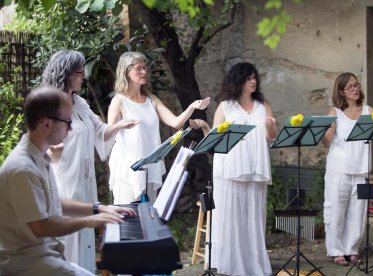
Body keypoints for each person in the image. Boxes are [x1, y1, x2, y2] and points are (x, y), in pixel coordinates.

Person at [0, 86, 136, 276]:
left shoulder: (38, 157)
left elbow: (54, 202)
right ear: (46, 123)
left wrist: (99, 208)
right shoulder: (22, 168)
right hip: (24, 263)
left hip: (41, 257)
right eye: (67, 121)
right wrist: (90, 220)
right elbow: (42, 226)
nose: (70, 128)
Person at [41, 50, 138, 272]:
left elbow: (99, 131)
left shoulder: (80, 103)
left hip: (85, 180)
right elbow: (39, 146)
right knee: (68, 239)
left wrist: (120, 125)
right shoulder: (50, 103)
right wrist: (51, 155)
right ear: (65, 74)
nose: (84, 75)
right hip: (64, 178)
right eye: (79, 72)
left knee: (85, 236)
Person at [190, 62, 277, 276]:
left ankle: (252, 263)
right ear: (237, 81)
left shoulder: (263, 104)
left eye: (254, 77)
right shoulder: (225, 106)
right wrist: (203, 127)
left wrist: (271, 129)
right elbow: (215, 140)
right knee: (230, 217)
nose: (253, 81)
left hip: (255, 168)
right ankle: (230, 264)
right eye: (248, 78)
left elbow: (271, 138)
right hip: (228, 168)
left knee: (253, 218)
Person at [107, 51, 210, 204]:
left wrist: (192, 107)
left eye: (144, 67)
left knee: (148, 216)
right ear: (126, 72)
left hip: (150, 165)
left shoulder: (151, 99)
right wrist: (121, 125)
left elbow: (175, 122)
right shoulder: (119, 100)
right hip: (128, 167)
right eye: (138, 68)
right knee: (127, 216)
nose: (144, 72)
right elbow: (109, 133)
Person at [322, 72, 373, 266]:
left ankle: (352, 249)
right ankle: (336, 251)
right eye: (350, 86)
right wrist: (328, 129)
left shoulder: (369, 111)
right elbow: (326, 142)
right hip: (338, 170)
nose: (355, 89)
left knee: (358, 213)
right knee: (335, 211)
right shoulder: (334, 112)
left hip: (362, 170)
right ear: (341, 91)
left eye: (356, 85)